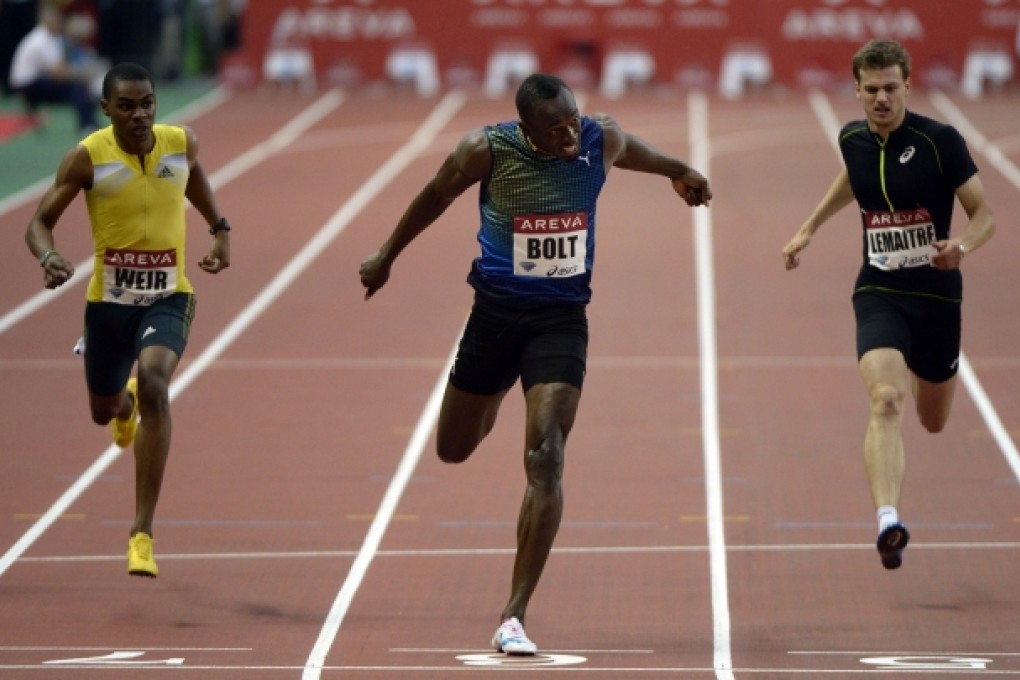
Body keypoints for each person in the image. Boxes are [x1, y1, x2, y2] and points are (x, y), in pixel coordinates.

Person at [360, 73, 711, 653]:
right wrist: (385, 255)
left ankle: (514, 613)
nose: (571, 133)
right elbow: (435, 195)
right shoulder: (487, 150)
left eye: (574, 119)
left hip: (561, 320)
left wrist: (679, 170)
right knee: (453, 447)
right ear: (528, 130)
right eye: (556, 129)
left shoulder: (600, 140)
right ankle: (497, 388)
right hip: (495, 318)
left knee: (546, 453)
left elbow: (635, 150)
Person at [781, 40, 996, 570]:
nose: (881, 98)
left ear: (907, 85)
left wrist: (960, 246)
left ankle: (924, 371)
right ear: (856, 90)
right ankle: (888, 519)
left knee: (933, 420)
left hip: (938, 297)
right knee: (884, 400)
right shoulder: (852, 138)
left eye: (891, 88)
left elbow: (985, 215)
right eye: (871, 89)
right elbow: (853, 181)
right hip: (879, 290)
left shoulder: (940, 141)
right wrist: (808, 228)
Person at [24, 62, 232, 578]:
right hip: (109, 306)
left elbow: (193, 176)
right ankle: (125, 403)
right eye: (127, 106)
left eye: (147, 104)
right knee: (104, 409)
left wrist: (219, 228)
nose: (139, 115)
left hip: (169, 295)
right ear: (106, 109)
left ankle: (142, 532)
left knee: (158, 382)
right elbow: (39, 223)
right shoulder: (88, 158)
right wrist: (48, 257)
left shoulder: (180, 143)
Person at [8, 5, 98, 132]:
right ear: (48, 21)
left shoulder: (49, 37)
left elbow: (60, 67)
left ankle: (90, 122)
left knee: (78, 86)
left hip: (33, 80)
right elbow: (59, 73)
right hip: (27, 84)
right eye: (57, 20)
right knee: (76, 88)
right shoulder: (42, 39)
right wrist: (80, 77)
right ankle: (87, 125)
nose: (60, 23)